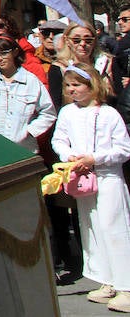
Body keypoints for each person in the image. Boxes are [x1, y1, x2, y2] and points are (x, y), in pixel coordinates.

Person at [51, 66, 130, 310]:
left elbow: (123, 149)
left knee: (114, 228)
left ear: (91, 85)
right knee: (91, 228)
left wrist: (94, 159)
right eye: (68, 86)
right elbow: (59, 139)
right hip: (82, 181)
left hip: (107, 179)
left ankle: (126, 285)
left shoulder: (108, 114)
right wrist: (69, 155)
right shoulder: (67, 113)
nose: (72, 90)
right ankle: (108, 280)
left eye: (77, 85)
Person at [0, 38, 56, 151]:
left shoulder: (31, 81)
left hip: (24, 148)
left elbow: (48, 113)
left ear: (15, 52)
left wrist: (29, 131)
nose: (0, 58)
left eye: (4, 53)